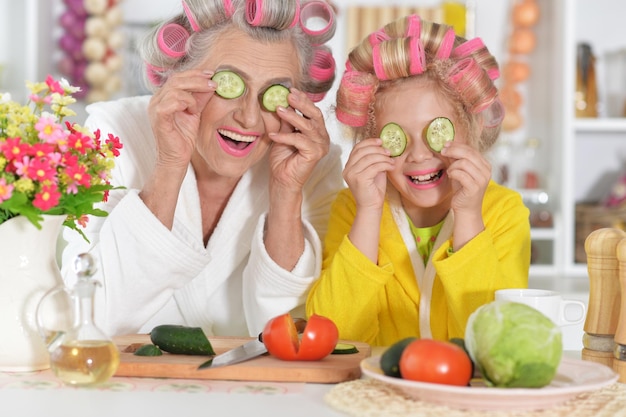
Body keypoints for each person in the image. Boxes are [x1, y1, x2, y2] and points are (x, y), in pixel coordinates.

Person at [61, 0, 344, 338]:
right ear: (181, 78)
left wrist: (286, 192)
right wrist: (169, 163)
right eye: (230, 84)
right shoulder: (114, 135)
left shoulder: (311, 163)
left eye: (275, 93)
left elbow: (292, 333)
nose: (249, 118)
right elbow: (95, 317)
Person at [306, 14, 531, 347]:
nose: (418, 155)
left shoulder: (504, 212)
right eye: (396, 137)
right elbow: (332, 336)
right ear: (371, 141)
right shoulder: (352, 209)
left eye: (436, 132)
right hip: (379, 392)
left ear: (470, 129)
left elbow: (499, 342)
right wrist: (368, 211)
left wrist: (469, 216)